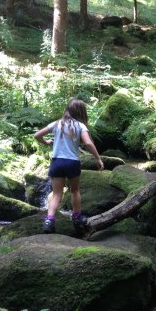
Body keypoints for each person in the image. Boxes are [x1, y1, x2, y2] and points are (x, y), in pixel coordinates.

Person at [34, 98, 104, 235]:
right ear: (81, 112)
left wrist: (47, 142)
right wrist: (98, 158)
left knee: (56, 194)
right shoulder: (80, 126)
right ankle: (77, 217)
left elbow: (37, 135)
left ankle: (49, 221)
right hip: (72, 162)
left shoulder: (57, 124)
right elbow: (89, 143)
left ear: (68, 109)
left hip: (57, 162)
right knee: (74, 190)